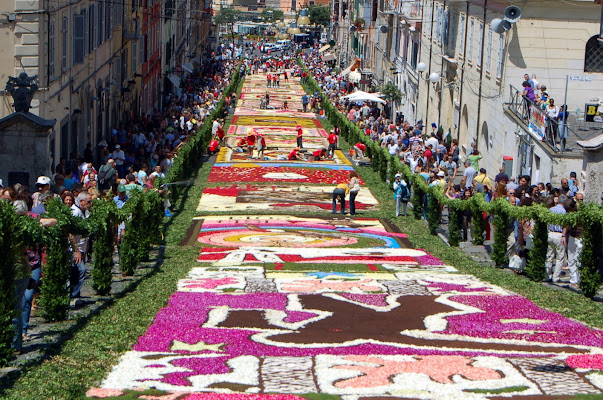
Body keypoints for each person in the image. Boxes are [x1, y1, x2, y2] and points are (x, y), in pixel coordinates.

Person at [69, 191, 92, 299]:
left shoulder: (85, 211)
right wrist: (76, 250)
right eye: (88, 202)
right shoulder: (75, 212)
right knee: (80, 271)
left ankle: (76, 296)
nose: (90, 204)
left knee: (76, 272)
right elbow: (71, 233)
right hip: (75, 249)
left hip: (82, 248)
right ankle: (72, 296)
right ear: (81, 201)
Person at [546, 195, 567, 283]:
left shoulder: (551, 210)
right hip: (559, 234)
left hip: (550, 232)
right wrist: (564, 236)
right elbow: (564, 225)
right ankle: (556, 277)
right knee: (559, 257)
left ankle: (547, 275)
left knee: (549, 255)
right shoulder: (564, 212)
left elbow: (548, 222)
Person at [565, 198, 582, 288]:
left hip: (580, 237)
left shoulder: (581, 211)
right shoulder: (569, 213)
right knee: (571, 258)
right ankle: (573, 279)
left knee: (578, 259)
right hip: (572, 235)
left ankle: (578, 280)